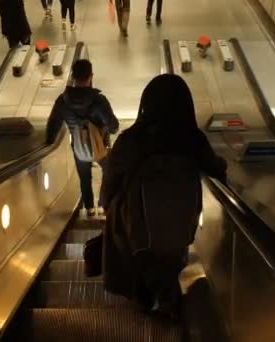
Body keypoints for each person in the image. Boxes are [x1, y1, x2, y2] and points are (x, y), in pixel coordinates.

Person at [101, 74, 227, 316]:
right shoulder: (193, 139)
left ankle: (144, 302)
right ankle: (170, 299)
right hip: (181, 225)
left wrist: (109, 208)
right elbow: (217, 171)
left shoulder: (131, 139)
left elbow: (111, 185)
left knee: (137, 250)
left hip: (138, 227)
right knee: (171, 259)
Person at [46, 60, 119, 216]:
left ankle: (89, 208)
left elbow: (52, 127)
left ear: (72, 76)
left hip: (79, 147)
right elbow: (114, 127)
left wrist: (48, 143)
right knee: (109, 171)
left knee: (84, 177)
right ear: (91, 76)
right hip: (101, 145)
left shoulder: (62, 101)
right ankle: (102, 205)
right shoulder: (99, 101)